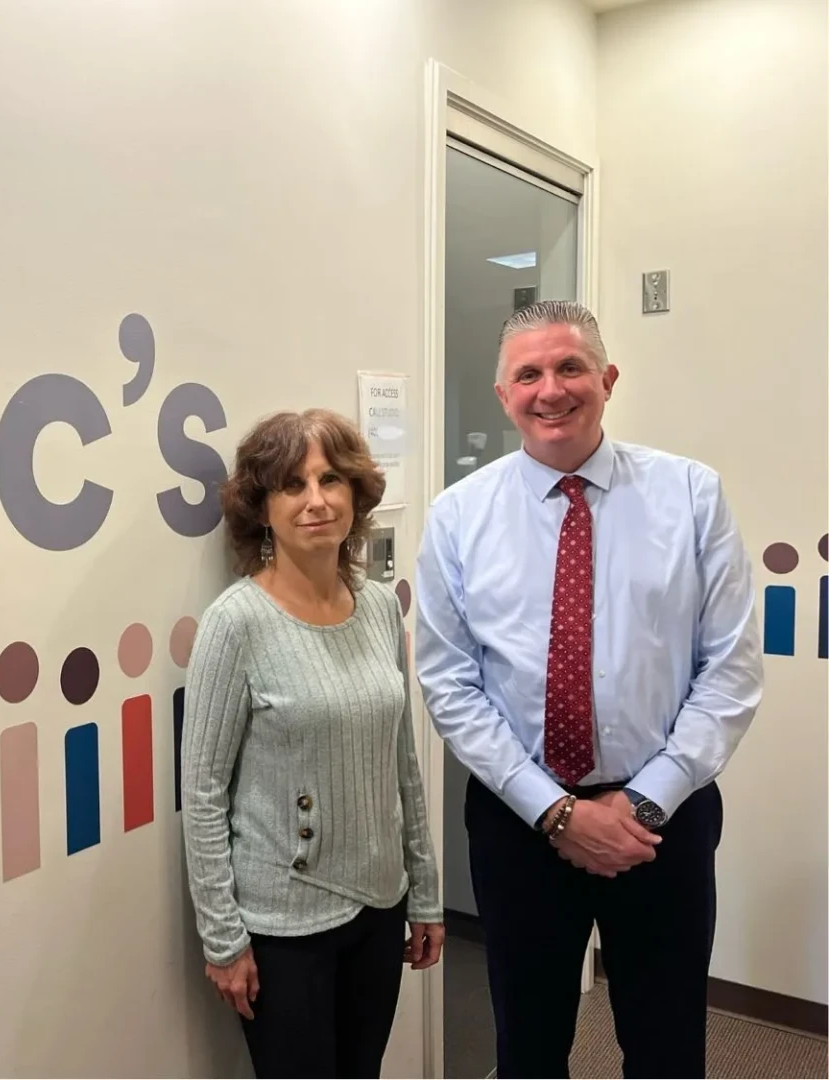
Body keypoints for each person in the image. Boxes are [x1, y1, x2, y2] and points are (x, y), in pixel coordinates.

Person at [414, 300, 763, 1079]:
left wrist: (641, 804)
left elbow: (731, 669)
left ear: (607, 380)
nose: (551, 389)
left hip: (661, 820)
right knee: (529, 1050)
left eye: (570, 367)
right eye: (528, 374)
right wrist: (556, 811)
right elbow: (450, 682)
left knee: (667, 1047)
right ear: (503, 395)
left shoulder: (691, 495)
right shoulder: (458, 517)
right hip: (519, 822)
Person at [180, 408, 443, 1080]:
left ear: (356, 493)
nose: (317, 500)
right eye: (292, 485)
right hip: (282, 927)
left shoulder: (380, 606)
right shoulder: (235, 623)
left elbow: (402, 763)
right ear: (262, 508)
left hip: (379, 907)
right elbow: (203, 793)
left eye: (331, 480)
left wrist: (424, 892)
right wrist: (222, 936)